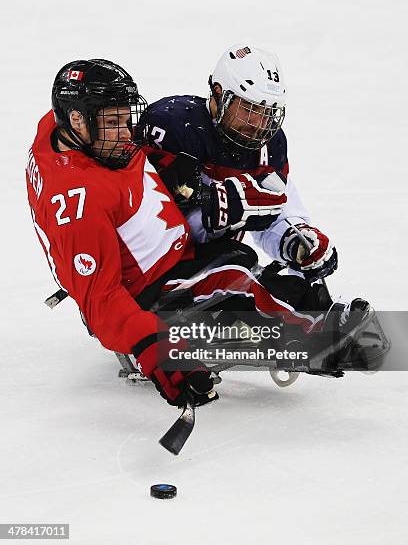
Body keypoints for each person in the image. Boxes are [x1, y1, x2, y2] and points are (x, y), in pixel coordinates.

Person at [26, 59, 372, 412]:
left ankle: (302, 306)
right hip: (150, 289)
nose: (128, 133)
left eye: (125, 118)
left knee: (238, 260)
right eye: (112, 123)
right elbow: (100, 302)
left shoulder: (60, 132)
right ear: (76, 120)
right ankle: (316, 341)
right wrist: (155, 348)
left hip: (173, 253)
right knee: (235, 280)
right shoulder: (73, 200)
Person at [137, 44, 338, 306]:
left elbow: (273, 210)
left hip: (215, 266)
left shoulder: (270, 145)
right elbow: (140, 222)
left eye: (267, 114)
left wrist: (293, 239)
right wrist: (219, 208)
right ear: (219, 93)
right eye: (249, 109)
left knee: (295, 291)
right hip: (150, 275)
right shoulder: (171, 126)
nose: (259, 125)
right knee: (238, 261)